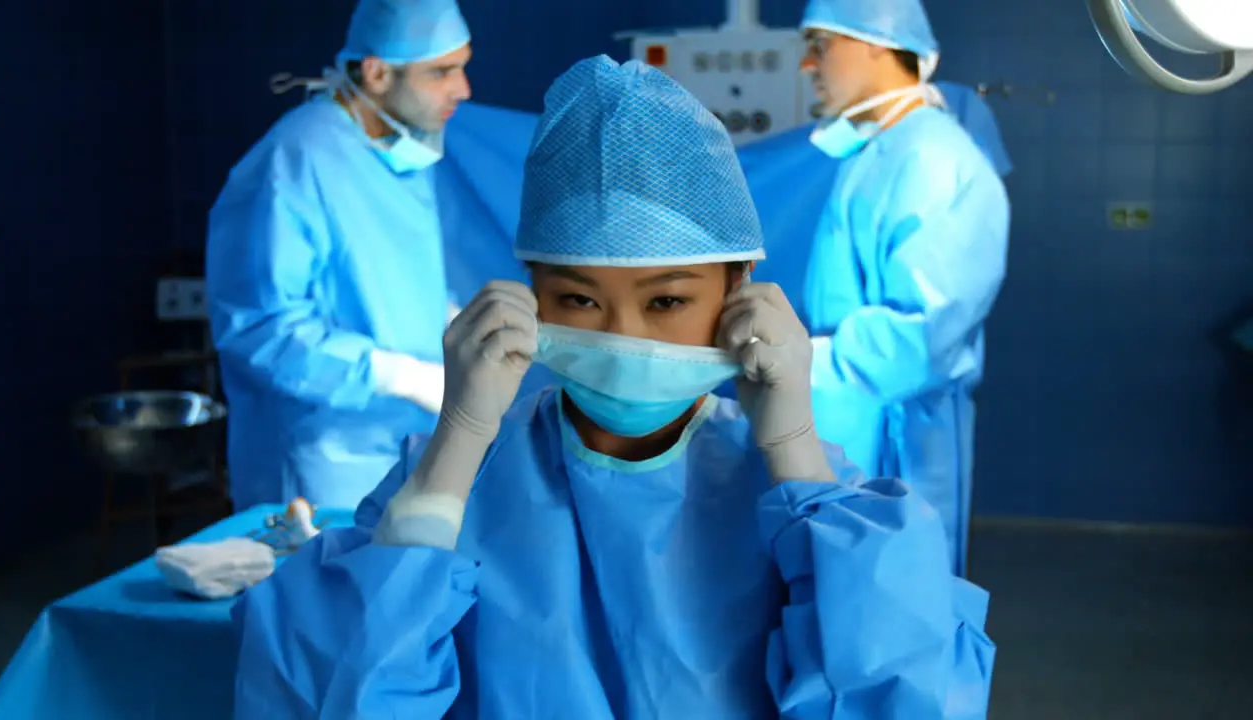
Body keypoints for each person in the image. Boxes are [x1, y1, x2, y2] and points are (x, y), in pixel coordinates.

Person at [231, 55, 995, 719]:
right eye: (579, 300)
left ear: (739, 292)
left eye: (667, 301)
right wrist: (454, 453)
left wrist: (796, 458)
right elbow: (341, 696)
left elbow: (895, 699)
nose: (625, 337)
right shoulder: (456, 488)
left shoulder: (814, 509)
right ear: (528, 295)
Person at [206, 0, 472, 511]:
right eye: (442, 71)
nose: (462, 89)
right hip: (322, 466)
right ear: (376, 73)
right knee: (324, 587)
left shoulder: (401, 158)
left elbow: (389, 281)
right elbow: (262, 331)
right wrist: (404, 377)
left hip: (406, 447)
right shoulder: (294, 162)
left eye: (463, 66)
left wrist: (454, 324)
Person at [797, 0, 1011, 577]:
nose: (806, 65)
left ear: (875, 42)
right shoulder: (875, 153)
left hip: (899, 450)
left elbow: (920, 336)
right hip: (849, 434)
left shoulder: (937, 161)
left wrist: (796, 365)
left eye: (820, 45)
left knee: (896, 620)